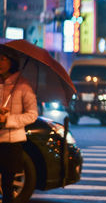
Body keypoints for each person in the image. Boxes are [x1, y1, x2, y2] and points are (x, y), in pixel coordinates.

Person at [0, 49, 38, 203]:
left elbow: (32, 114)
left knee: (7, 184)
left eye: (3, 59)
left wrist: (8, 119)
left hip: (12, 141)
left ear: (12, 62)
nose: (0, 63)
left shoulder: (23, 86)